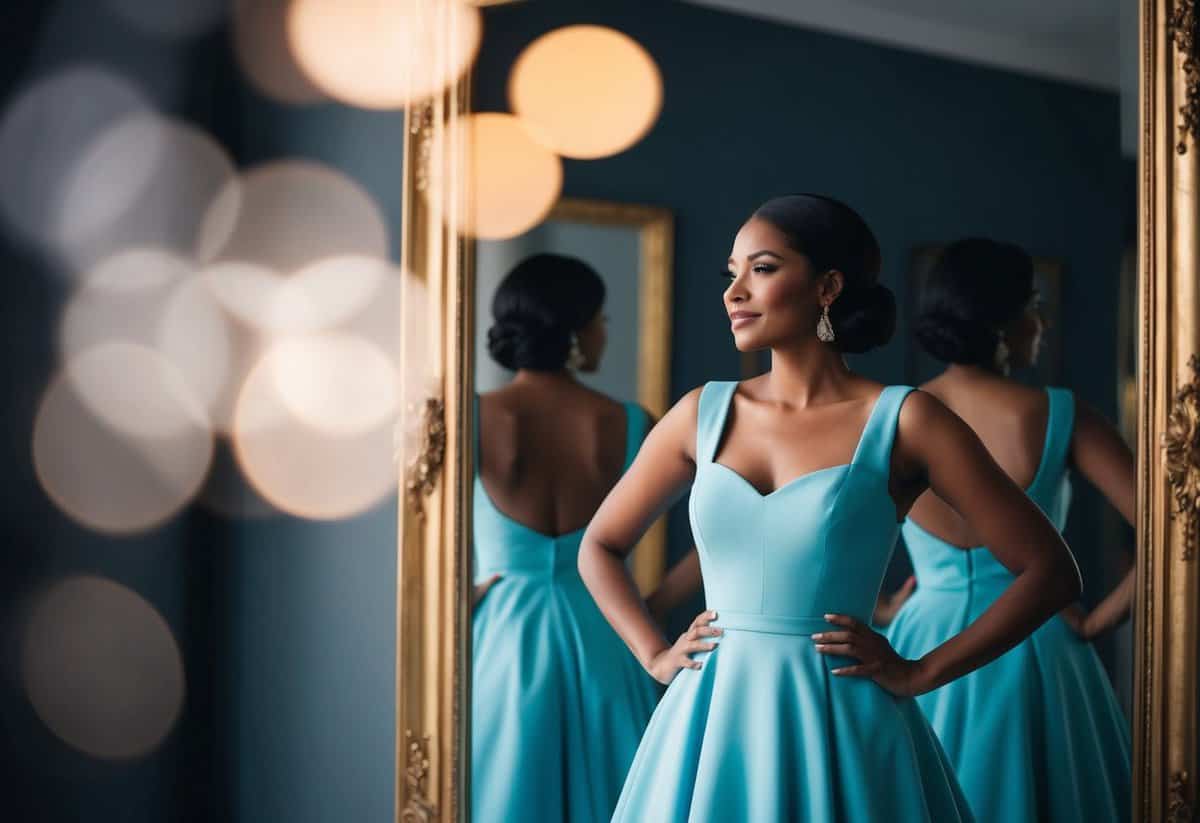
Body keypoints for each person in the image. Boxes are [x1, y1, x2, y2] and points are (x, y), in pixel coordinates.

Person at [578, 194, 1082, 822]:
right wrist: (655, 655)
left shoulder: (906, 419)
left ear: (828, 286)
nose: (734, 291)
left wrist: (920, 672)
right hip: (709, 720)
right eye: (729, 273)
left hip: (843, 716)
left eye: (760, 269)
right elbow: (597, 547)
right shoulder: (699, 414)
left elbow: (1051, 572)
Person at [880, 237, 1132, 822]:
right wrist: (1097, 619)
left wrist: (888, 609)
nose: (1040, 322)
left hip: (925, 639)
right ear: (1000, 320)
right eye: (1034, 304)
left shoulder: (891, 417)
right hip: (1036, 642)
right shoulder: (1061, 414)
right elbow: (1177, 528)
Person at [471, 254, 659, 823]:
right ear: (576, 332)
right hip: (606, 626)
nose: (605, 331)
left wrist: (456, 598)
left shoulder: (470, 415)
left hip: (505, 634)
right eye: (600, 318)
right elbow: (724, 527)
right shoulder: (631, 422)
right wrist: (648, 604)